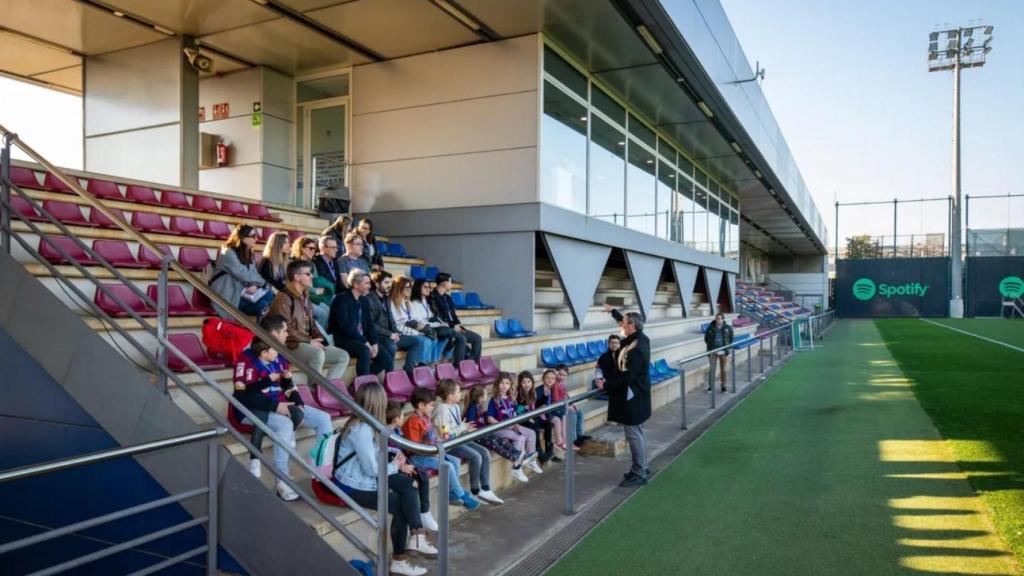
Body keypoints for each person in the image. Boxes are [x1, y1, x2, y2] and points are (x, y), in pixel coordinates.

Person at [333, 382, 436, 576]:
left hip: (363, 476)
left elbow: (374, 452)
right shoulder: (361, 428)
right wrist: (396, 466)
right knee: (402, 505)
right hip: (353, 485)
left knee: (408, 484)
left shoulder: (367, 423)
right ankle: (403, 555)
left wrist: (395, 456)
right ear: (377, 403)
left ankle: (416, 537)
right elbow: (372, 469)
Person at [232, 316, 333, 502]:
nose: (288, 334)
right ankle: (282, 482)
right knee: (285, 425)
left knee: (323, 418)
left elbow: (288, 385)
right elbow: (241, 395)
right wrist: (276, 406)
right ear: (273, 334)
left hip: (281, 405)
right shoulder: (246, 356)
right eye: (285, 330)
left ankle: (323, 473)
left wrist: (298, 402)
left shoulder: (280, 353)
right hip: (255, 410)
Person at [266, 260, 349, 383]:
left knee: (342, 356)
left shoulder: (305, 295)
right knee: (317, 354)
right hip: (289, 344)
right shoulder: (283, 297)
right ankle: (314, 389)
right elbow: (286, 329)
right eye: (308, 274)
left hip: (304, 341)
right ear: (296, 277)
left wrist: (320, 340)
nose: (312, 277)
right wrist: (309, 341)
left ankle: (327, 390)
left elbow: (312, 324)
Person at [595, 311, 652, 488]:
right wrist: (614, 312)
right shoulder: (637, 338)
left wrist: (605, 385)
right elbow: (624, 322)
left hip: (633, 396)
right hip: (635, 395)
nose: (621, 326)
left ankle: (640, 473)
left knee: (634, 434)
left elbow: (627, 376)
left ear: (632, 326)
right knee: (636, 433)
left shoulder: (637, 347)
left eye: (624, 323)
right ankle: (640, 466)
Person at [401, 387, 480, 510]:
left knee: (455, 461)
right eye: (431, 405)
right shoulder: (413, 421)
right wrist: (432, 451)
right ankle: (461, 494)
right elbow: (414, 446)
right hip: (418, 457)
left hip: (432, 452)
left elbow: (431, 437)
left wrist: (436, 443)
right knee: (448, 466)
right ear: (421, 405)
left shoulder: (425, 417)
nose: (433, 408)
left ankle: (451, 493)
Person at [432, 379, 504, 504]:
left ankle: (486, 488)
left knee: (485, 452)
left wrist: (465, 429)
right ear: (450, 396)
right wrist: (463, 427)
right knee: (476, 456)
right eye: (458, 392)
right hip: (449, 445)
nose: (461, 394)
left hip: (459, 439)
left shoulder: (454, 406)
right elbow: (446, 435)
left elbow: (458, 427)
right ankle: (475, 490)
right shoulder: (442, 411)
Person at [385, 401, 438, 532]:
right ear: (396, 419)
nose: (404, 418)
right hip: (391, 467)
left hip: (400, 462)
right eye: (402, 416)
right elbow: (387, 455)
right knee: (414, 482)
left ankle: (424, 512)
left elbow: (399, 450)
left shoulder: (395, 430)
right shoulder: (385, 434)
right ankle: (418, 523)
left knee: (422, 475)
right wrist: (401, 467)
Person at [328, 269, 388, 377]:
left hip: (360, 339)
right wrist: (365, 342)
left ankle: (361, 381)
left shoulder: (363, 300)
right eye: (367, 283)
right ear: (356, 284)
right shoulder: (341, 299)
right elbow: (345, 327)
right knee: (364, 351)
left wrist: (374, 342)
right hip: (343, 339)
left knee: (385, 358)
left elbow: (369, 324)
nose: (370, 286)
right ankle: (362, 387)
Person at [209, 224, 274, 319]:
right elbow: (243, 274)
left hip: (242, 295)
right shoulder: (228, 253)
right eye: (252, 236)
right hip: (227, 298)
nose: (255, 239)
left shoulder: (249, 254)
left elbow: (253, 274)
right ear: (242, 237)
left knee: (265, 303)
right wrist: (264, 284)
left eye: (255, 236)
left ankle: (263, 332)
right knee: (269, 296)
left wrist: (256, 285)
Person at [465, 386, 526, 482]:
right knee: (493, 442)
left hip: (483, 432)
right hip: (476, 436)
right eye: (485, 394)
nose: (486, 396)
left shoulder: (479, 406)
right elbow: (471, 426)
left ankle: (516, 453)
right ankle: (514, 457)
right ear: (480, 397)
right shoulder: (472, 409)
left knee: (498, 439)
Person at [488, 372, 543, 477]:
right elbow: (490, 418)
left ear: (510, 385)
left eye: (507, 383)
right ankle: (516, 467)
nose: (504, 386)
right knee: (520, 438)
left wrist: (515, 422)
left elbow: (513, 413)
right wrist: (502, 424)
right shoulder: (494, 400)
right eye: (502, 383)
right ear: (497, 384)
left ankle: (530, 458)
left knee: (531, 433)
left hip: (511, 426)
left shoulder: (510, 399)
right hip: (499, 428)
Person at [367, 271, 422, 374]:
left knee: (415, 341)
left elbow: (391, 320)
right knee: (392, 347)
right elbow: (370, 325)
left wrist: (395, 332)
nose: (389, 286)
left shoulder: (386, 299)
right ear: (377, 284)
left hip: (390, 335)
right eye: (386, 283)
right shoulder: (369, 299)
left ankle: (408, 372)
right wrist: (390, 334)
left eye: (390, 283)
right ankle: (389, 378)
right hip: (378, 336)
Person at [429, 273, 482, 362]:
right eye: (450, 281)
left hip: (454, 327)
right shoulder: (432, 297)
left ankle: (472, 363)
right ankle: (458, 367)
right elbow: (437, 316)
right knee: (461, 338)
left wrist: (458, 325)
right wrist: (453, 326)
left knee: (477, 338)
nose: (451, 284)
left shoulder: (447, 297)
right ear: (444, 283)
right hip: (443, 327)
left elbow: (453, 314)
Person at [390, 275, 439, 366]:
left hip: (411, 330)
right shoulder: (392, 303)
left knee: (433, 338)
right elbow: (398, 326)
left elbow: (414, 319)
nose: (410, 289)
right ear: (399, 288)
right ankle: (420, 367)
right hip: (401, 333)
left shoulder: (407, 302)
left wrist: (421, 327)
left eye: (410, 287)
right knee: (425, 341)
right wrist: (418, 332)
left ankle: (430, 366)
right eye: (407, 287)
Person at [290, 236, 331, 329]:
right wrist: (314, 290)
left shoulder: (311, 264)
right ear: (302, 248)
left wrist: (317, 289)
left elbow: (314, 280)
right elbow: (296, 284)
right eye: (311, 248)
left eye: (314, 248)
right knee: (322, 314)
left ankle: (322, 335)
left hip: (311, 295)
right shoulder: (294, 264)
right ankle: (317, 336)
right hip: (299, 297)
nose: (313, 251)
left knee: (328, 309)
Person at [516, 371, 555, 464]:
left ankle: (549, 448)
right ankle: (540, 454)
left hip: (531, 417)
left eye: (529, 382)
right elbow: (519, 411)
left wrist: (545, 397)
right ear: (520, 384)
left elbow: (536, 405)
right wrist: (529, 419)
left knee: (548, 424)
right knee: (535, 429)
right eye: (524, 382)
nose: (527, 384)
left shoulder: (532, 393)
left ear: (532, 382)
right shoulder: (519, 395)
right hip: (522, 420)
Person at [409, 279, 451, 363]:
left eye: (429, 287)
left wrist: (440, 323)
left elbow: (432, 316)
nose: (428, 289)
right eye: (425, 287)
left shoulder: (428, 301)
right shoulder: (414, 303)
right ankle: (428, 364)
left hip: (430, 327)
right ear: (418, 288)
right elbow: (420, 323)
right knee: (434, 338)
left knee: (446, 337)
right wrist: (438, 325)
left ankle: (433, 362)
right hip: (420, 328)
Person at [536, 369, 571, 453]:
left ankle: (564, 440)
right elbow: (536, 405)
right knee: (557, 420)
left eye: (552, 378)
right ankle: (559, 441)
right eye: (547, 378)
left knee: (563, 415)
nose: (550, 380)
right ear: (543, 379)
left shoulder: (552, 388)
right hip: (540, 413)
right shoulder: (539, 390)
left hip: (548, 411)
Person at [555, 364, 590, 447]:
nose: (562, 377)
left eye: (564, 375)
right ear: (556, 373)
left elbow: (566, 396)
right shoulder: (555, 385)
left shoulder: (562, 384)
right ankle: (573, 439)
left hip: (565, 404)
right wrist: (568, 406)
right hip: (558, 407)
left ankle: (580, 435)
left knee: (580, 413)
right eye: (560, 374)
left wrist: (573, 404)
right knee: (572, 415)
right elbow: (556, 400)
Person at [703, 313, 734, 393]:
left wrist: (727, 347)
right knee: (712, 369)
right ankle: (711, 387)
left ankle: (723, 387)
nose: (718, 320)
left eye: (720, 318)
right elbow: (706, 339)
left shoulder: (728, 327)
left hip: (723, 351)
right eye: (717, 318)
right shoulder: (710, 327)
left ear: (723, 319)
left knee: (723, 369)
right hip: (713, 350)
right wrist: (711, 347)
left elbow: (731, 338)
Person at [593, 334, 621, 400]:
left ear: (619, 344)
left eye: (616, 343)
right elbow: (598, 371)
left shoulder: (623, 356)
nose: (614, 345)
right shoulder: (603, 356)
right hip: (608, 386)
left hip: (620, 385)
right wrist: (600, 380)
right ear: (608, 344)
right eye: (611, 342)